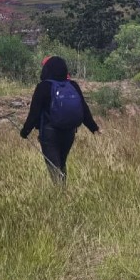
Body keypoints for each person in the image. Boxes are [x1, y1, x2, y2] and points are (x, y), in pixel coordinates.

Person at [20, 56, 99, 184]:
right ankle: (63, 190)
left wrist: (25, 131)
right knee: (62, 162)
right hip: (69, 132)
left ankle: (60, 193)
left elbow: (34, 113)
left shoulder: (43, 87)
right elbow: (84, 109)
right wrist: (94, 128)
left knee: (53, 165)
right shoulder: (73, 85)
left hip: (49, 132)